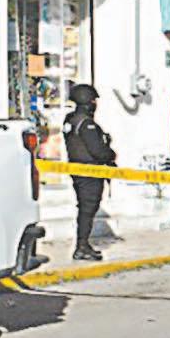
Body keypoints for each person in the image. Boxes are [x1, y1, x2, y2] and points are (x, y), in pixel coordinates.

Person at [62, 83, 115, 261]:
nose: (95, 104)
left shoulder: (70, 120)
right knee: (88, 209)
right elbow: (98, 151)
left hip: (78, 170)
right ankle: (82, 246)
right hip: (89, 172)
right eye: (93, 101)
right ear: (87, 101)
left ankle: (83, 245)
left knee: (84, 208)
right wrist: (110, 153)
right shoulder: (86, 124)